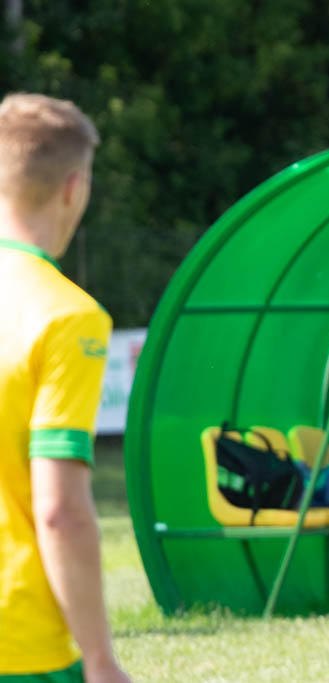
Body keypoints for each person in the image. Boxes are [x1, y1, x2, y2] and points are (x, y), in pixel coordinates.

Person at [0, 94, 131, 682]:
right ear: (74, 188)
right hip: (21, 643)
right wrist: (100, 658)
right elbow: (59, 511)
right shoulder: (66, 316)